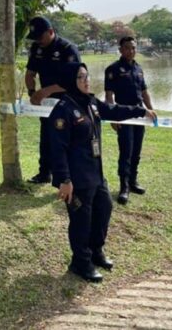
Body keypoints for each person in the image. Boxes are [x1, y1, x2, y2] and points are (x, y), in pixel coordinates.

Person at [49, 62, 156, 282]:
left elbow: (114, 109)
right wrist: (64, 180)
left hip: (96, 174)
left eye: (87, 76)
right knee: (81, 221)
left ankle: (96, 251)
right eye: (80, 77)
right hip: (77, 179)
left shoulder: (91, 103)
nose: (86, 80)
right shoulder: (63, 110)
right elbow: (57, 149)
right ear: (71, 81)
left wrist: (141, 110)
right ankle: (80, 262)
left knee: (104, 208)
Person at [25, 16, 81, 184]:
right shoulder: (37, 48)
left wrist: (46, 90)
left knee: (67, 140)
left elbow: (75, 80)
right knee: (46, 138)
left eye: (40, 37)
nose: (38, 41)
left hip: (67, 102)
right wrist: (32, 92)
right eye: (35, 38)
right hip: (46, 104)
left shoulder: (68, 49)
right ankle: (44, 173)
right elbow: (30, 73)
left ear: (50, 32)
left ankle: (69, 178)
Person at [104, 36, 155, 205]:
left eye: (133, 48)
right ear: (121, 50)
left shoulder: (138, 69)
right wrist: (112, 116)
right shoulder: (113, 69)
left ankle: (133, 182)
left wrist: (151, 109)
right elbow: (109, 96)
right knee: (126, 151)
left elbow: (144, 91)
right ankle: (124, 187)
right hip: (123, 115)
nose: (131, 51)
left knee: (136, 152)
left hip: (139, 115)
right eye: (127, 48)